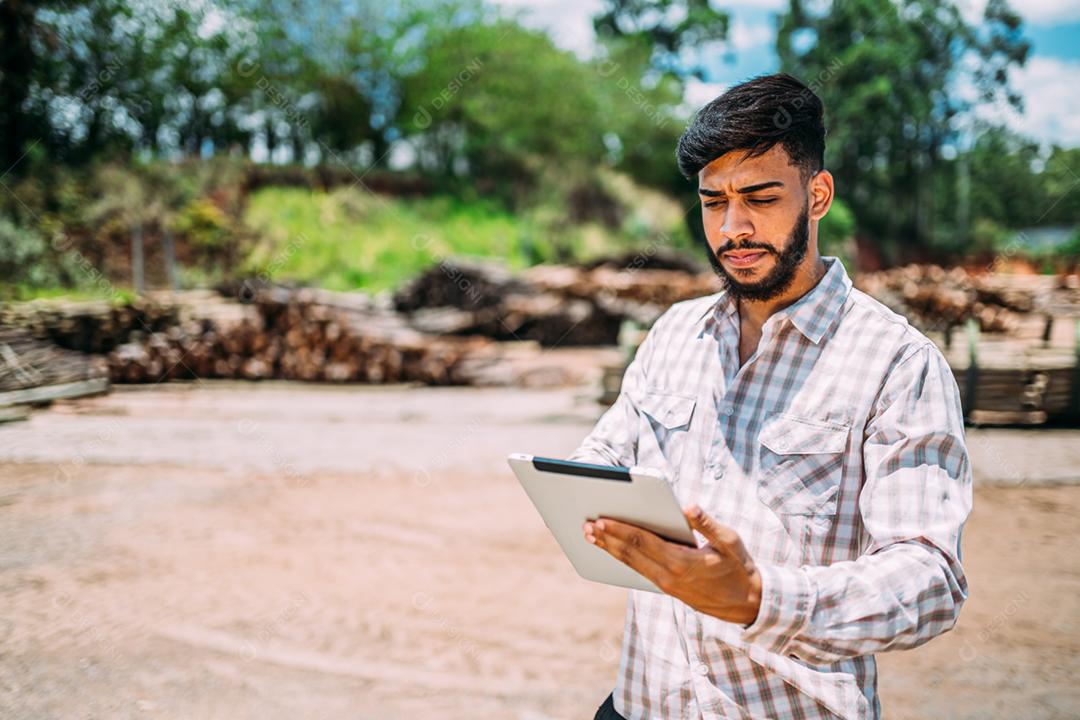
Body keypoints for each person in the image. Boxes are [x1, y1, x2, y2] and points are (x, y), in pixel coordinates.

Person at [571, 73, 972, 720]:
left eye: (759, 197)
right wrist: (583, 490)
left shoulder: (897, 364)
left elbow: (929, 580)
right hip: (643, 703)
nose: (733, 227)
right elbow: (608, 454)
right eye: (713, 202)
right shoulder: (675, 333)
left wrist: (762, 599)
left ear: (818, 195)